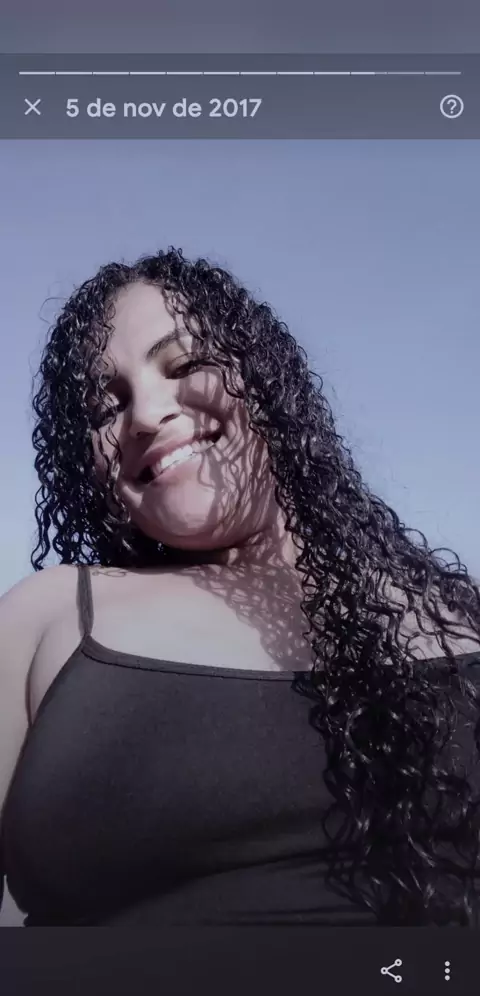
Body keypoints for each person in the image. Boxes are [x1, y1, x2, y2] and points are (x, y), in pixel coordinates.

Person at [1, 246, 479, 928]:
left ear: (265, 380)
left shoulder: (459, 613)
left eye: (184, 365)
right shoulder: (46, 619)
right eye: (106, 406)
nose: (145, 415)